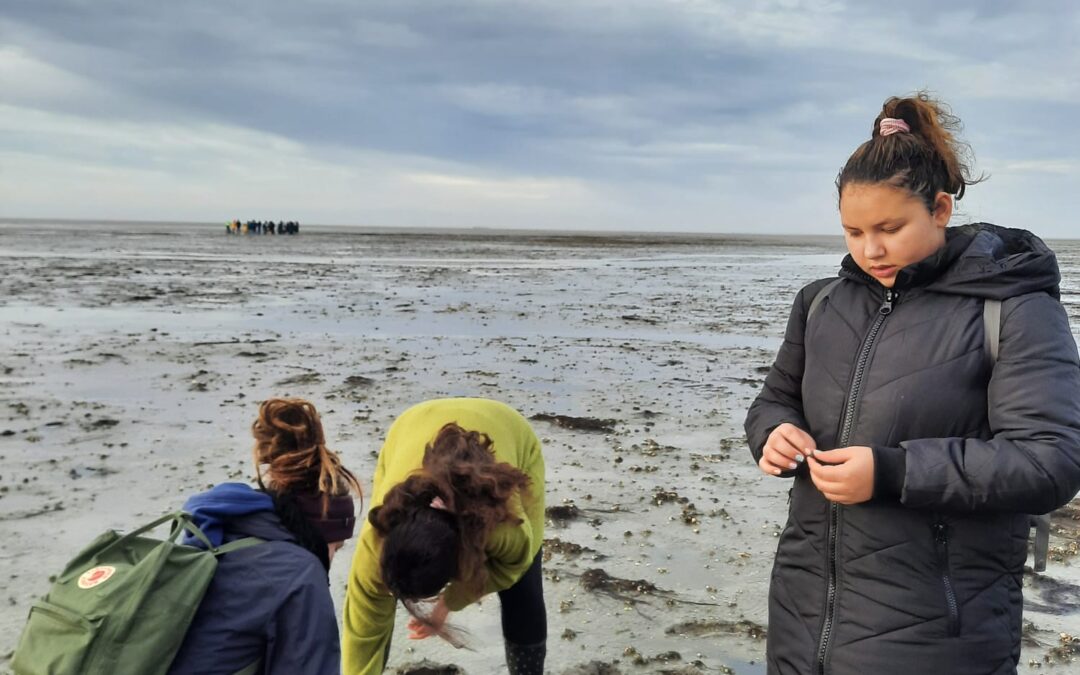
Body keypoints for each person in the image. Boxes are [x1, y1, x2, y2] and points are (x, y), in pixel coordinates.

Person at [744, 92, 1080, 675]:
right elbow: (775, 399)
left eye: (889, 228)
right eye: (852, 231)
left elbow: (1050, 461)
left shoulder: (1013, 310)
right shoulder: (821, 303)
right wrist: (774, 433)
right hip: (802, 619)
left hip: (940, 634)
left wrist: (893, 472)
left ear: (941, 210)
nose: (870, 249)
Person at [342, 398, 546, 675]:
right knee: (372, 599)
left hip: (507, 427)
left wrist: (449, 602)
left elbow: (514, 565)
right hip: (411, 424)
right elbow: (362, 636)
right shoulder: (376, 541)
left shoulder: (500, 529)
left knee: (523, 586)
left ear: (461, 560)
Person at [168, 398, 363, 675]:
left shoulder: (216, 536)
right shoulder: (301, 575)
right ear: (318, 533)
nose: (332, 557)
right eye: (336, 546)